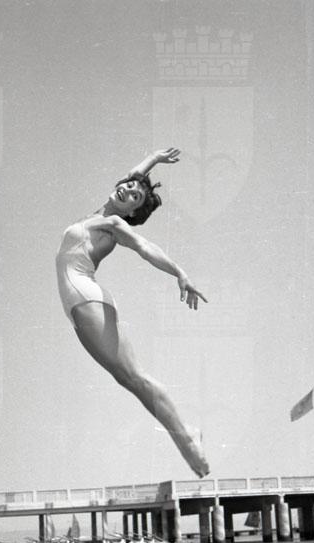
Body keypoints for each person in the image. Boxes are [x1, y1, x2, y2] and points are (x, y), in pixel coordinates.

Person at [56, 148, 210, 477]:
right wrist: (153, 159)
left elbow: (144, 247)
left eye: (135, 197)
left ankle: (187, 437)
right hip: (77, 304)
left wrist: (179, 272)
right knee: (127, 378)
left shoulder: (113, 224)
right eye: (128, 186)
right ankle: (185, 434)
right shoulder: (100, 212)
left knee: (134, 377)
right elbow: (131, 179)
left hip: (87, 298)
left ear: (132, 213)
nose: (128, 190)